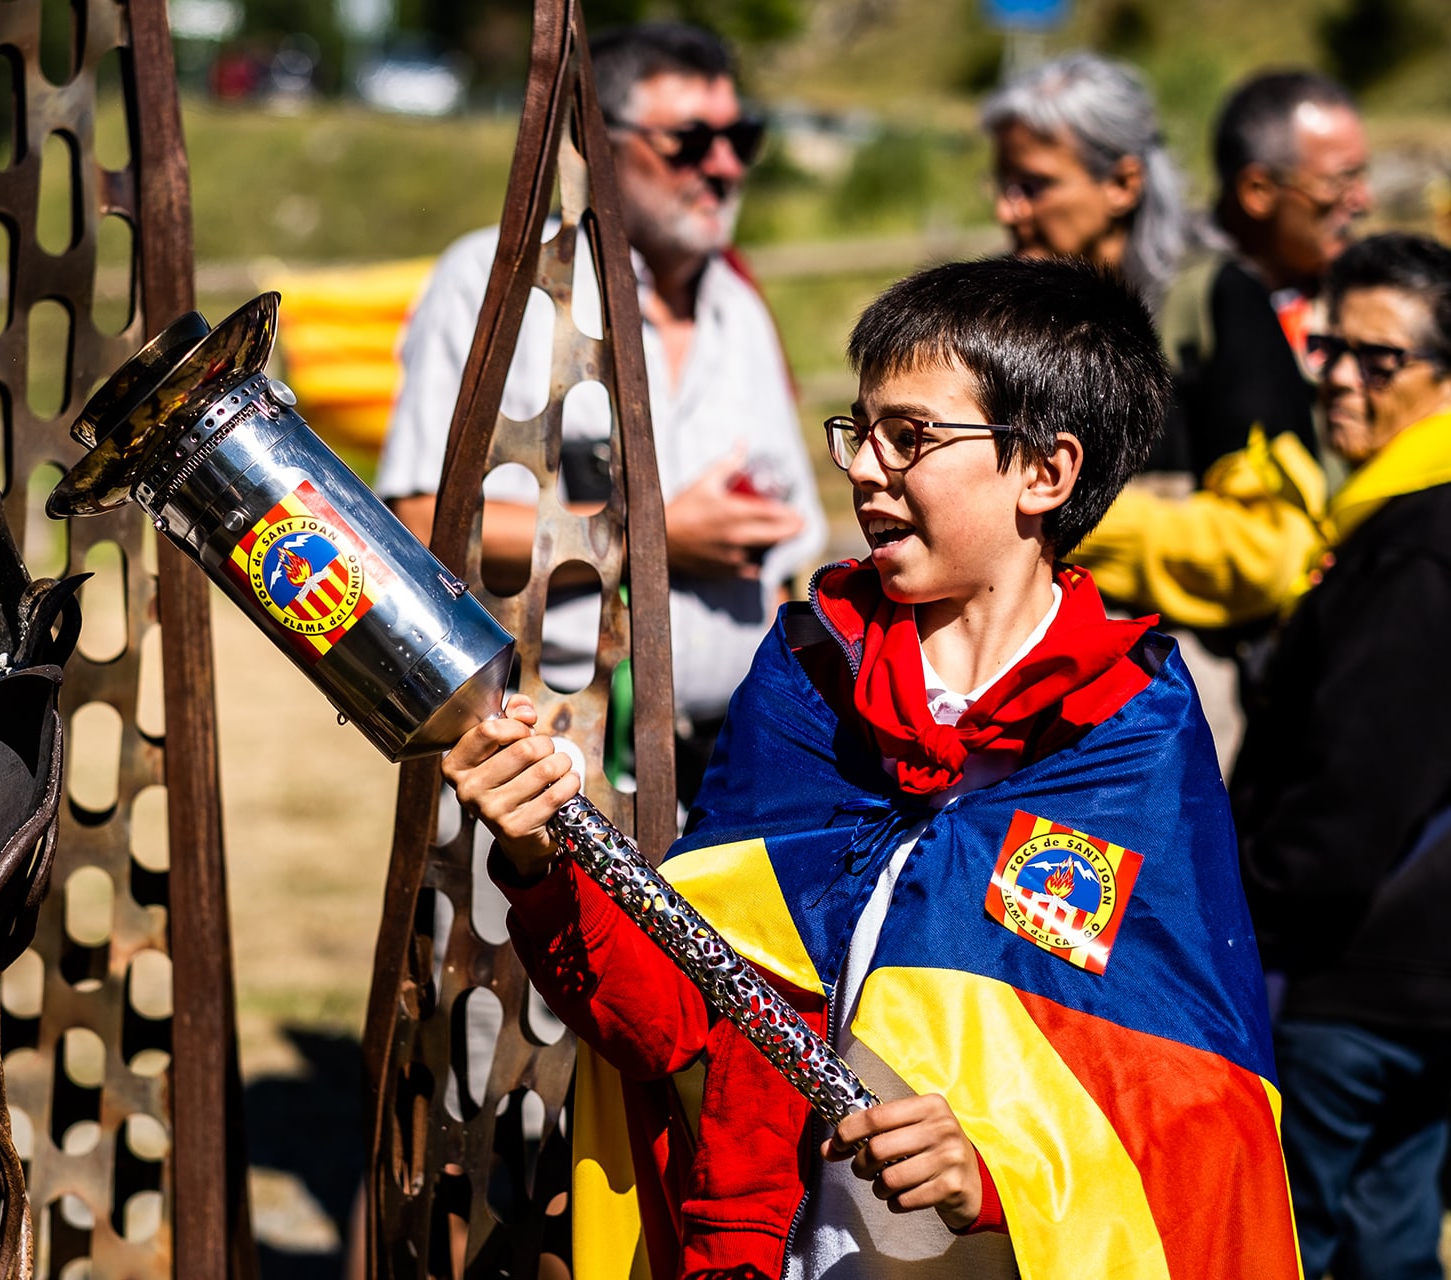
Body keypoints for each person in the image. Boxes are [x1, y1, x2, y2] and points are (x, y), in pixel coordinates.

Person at [443, 257, 1299, 1279]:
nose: (863, 468)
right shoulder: (814, 676)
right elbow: (688, 1020)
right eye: (860, 430)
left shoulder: (1130, 735)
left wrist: (998, 1172)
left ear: (1046, 473)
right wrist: (541, 859)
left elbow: (1201, 1108)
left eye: (913, 436)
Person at [375, 21, 824, 807]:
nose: (724, 166)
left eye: (740, 137)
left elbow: (794, 547)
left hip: (731, 772)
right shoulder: (495, 282)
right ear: (600, 147)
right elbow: (417, 532)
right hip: (544, 765)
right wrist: (655, 538)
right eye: (689, 141)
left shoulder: (740, 306)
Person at [1229, 233, 1451, 1280]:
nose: (1339, 378)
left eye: (1379, 358)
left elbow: (1357, 789)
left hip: (1349, 981)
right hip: (1406, 974)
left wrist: (1245, 910)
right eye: (1326, 348)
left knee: (1289, 1247)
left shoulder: (1414, 543)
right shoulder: (1388, 519)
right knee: (1394, 1244)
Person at [1076, 71, 1372, 634]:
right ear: (1258, 191)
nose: (1363, 199)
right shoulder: (1173, 301)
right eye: (1341, 180)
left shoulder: (1376, 303)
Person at [981, 52, 1197, 313]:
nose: (1005, 212)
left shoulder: (1205, 303)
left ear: (1121, 185)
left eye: (1032, 186)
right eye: (1005, 186)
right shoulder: (993, 309)